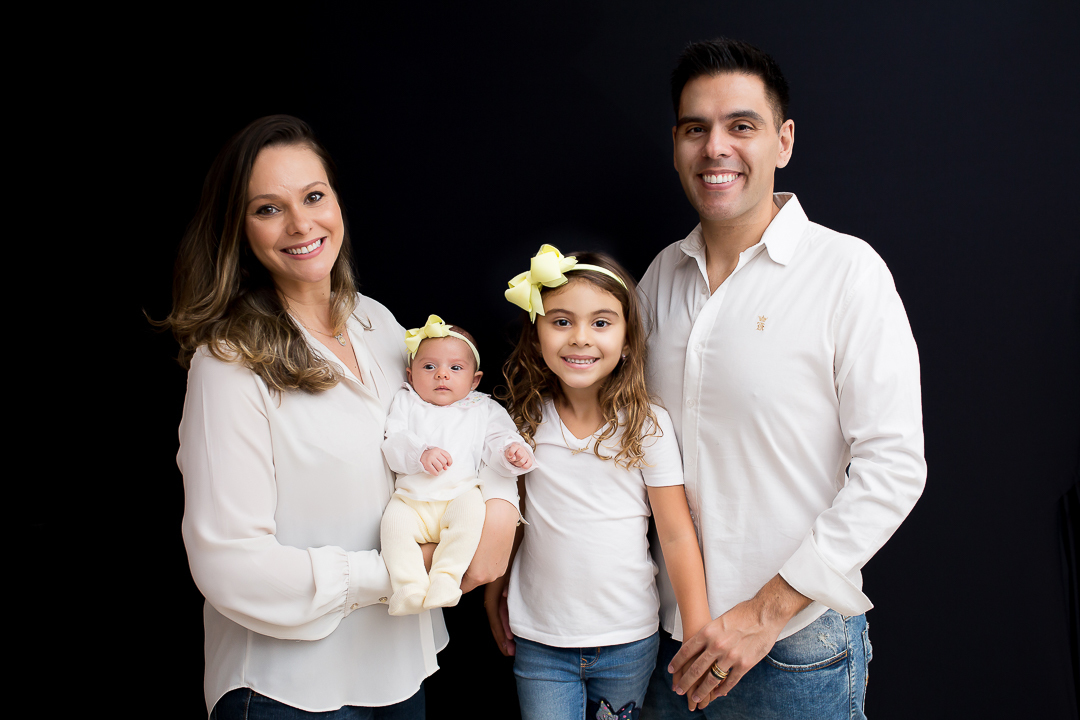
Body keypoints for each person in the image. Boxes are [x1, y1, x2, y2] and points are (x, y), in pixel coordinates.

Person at [164, 115, 519, 718]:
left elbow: (462, 424)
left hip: (400, 669)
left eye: (313, 196)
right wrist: (408, 568)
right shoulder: (228, 363)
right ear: (238, 229)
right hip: (285, 688)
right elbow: (230, 564)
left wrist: (502, 510)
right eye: (268, 209)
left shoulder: (377, 323)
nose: (301, 224)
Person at [637, 39, 927, 718]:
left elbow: (894, 467)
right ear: (676, 145)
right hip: (661, 646)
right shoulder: (658, 278)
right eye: (695, 129)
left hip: (793, 650)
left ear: (784, 141)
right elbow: (622, 442)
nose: (716, 148)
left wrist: (765, 613)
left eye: (741, 125)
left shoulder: (846, 272)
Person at [485, 245, 712, 720]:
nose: (580, 338)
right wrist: (495, 587)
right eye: (561, 321)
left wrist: (697, 631)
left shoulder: (646, 425)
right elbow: (513, 516)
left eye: (601, 322)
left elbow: (675, 533)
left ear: (628, 339)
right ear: (536, 335)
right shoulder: (522, 421)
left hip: (627, 638)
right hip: (541, 638)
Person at [380, 315, 536, 616]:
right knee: (393, 530)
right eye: (429, 367)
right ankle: (408, 587)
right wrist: (420, 453)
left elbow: (499, 439)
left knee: (470, 521)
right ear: (411, 375)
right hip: (410, 499)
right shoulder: (406, 402)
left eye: (455, 368)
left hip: (459, 495)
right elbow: (394, 441)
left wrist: (512, 451)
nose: (442, 374)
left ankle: (446, 579)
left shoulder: (483, 408)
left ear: (474, 380)